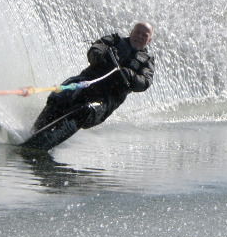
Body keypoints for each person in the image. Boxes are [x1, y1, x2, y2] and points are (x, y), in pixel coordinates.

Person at [22, 21, 155, 150]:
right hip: (86, 83)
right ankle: (34, 131)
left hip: (105, 101)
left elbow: (145, 82)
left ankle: (49, 140)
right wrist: (100, 56)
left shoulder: (147, 62)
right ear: (131, 32)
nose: (139, 36)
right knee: (62, 94)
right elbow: (96, 48)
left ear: (149, 41)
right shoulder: (114, 40)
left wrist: (129, 75)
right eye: (137, 32)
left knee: (87, 110)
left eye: (144, 35)